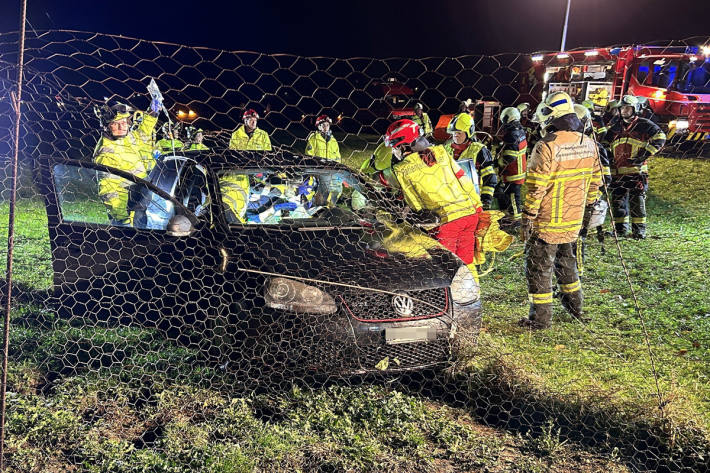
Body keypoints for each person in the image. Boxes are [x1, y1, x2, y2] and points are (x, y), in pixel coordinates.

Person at [520, 91, 602, 329]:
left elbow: (536, 188)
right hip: (574, 220)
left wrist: (527, 217)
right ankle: (575, 308)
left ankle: (540, 319)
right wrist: (587, 209)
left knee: (539, 270)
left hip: (547, 222)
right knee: (568, 265)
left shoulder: (546, 146)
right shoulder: (588, 143)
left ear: (550, 117)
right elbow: (595, 182)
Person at [385, 119, 482, 273]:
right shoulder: (442, 152)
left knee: (444, 269)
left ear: (402, 145)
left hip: (445, 221)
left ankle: (453, 296)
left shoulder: (402, 169)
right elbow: (463, 178)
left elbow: (415, 203)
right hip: (469, 215)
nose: (392, 152)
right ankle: (473, 295)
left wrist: (419, 222)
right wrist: (477, 206)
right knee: (466, 264)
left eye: (393, 147)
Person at [606, 95, 666, 239]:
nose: (624, 111)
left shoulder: (644, 125)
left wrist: (644, 156)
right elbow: (604, 145)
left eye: (627, 108)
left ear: (635, 109)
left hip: (636, 172)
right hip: (617, 173)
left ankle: (639, 232)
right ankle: (620, 230)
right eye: (622, 108)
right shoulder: (614, 128)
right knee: (618, 203)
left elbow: (660, 137)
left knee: (636, 203)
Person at [93, 100, 160, 225]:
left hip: (141, 200)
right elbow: (109, 191)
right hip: (129, 212)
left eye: (124, 122)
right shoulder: (106, 153)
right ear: (106, 125)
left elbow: (143, 133)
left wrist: (152, 112)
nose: (121, 127)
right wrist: (123, 219)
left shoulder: (127, 137)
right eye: (115, 123)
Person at [443, 112, 497, 209]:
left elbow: (490, 177)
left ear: (469, 132)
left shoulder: (479, 150)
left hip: (473, 200)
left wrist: (486, 200)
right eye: (454, 132)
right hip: (451, 200)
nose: (456, 135)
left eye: (459, 132)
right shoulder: (446, 149)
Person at [496, 107, 528, 221]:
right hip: (519, 169)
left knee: (514, 198)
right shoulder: (520, 130)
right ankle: (511, 216)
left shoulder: (512, 133)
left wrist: (498, 162)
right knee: (511, 195)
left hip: (513, 172)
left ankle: (516, 221)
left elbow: (510, 155)